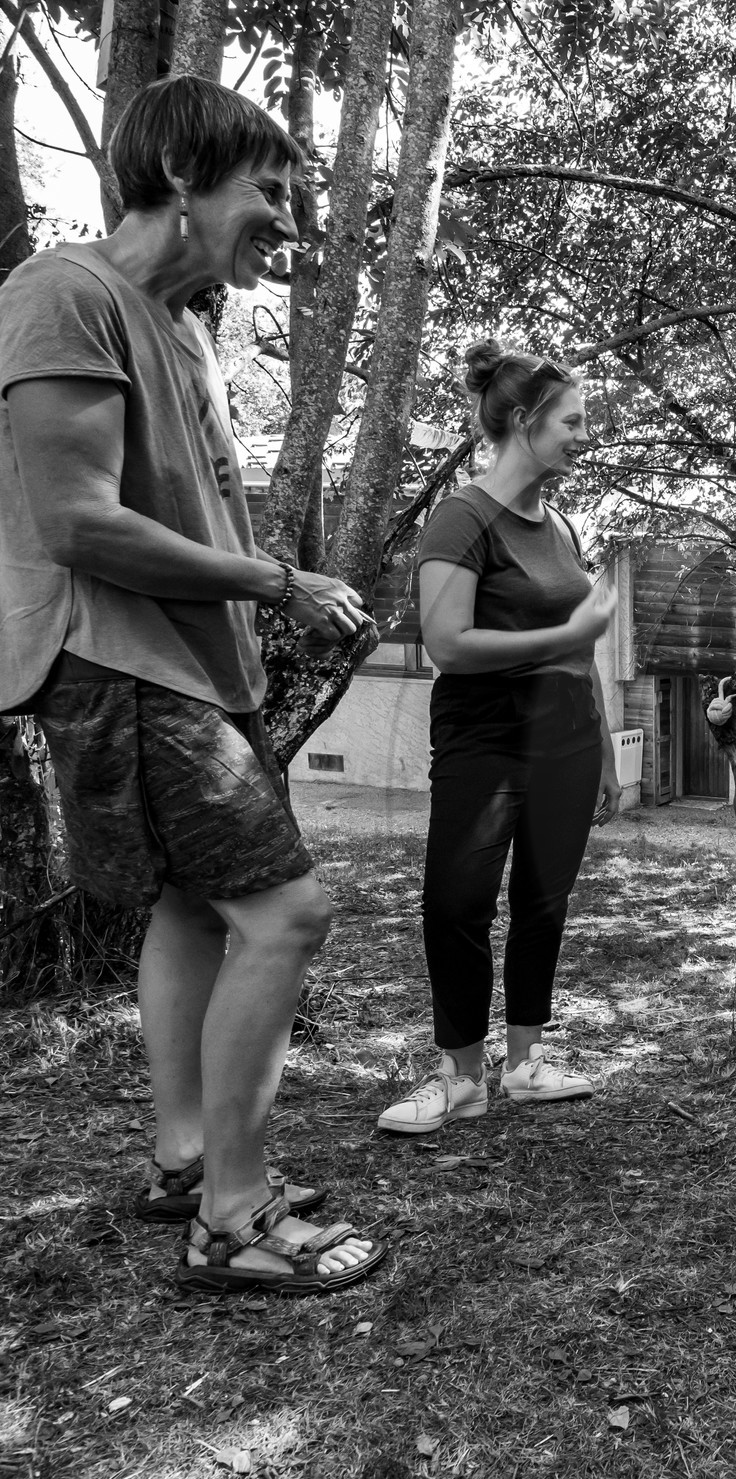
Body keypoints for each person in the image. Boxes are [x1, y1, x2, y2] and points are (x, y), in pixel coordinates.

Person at [0, 76, 383, 1293]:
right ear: (178, 179)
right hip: (119, 658)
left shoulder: (186, 326)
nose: (291, 220)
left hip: (191, 668)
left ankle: (185, 1155)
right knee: (288, 913)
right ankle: (234, 1211)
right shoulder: (66, 293)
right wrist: (279, 582)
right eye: (267, 192)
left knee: (185, 905)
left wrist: (256, 625)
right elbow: (76, 523)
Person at [376, 342, 620, 1135]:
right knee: (456, 904)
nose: (585, 436)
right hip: (485, 743)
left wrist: (607, 754)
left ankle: (525, 1064)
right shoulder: (462, 516)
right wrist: (564, 639)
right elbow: (449, 644)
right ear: (523, 421)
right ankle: (460, 1076)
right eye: (573, 422)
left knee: (542, 905)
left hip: (569, 744)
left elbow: (581, 649)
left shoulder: (562, 525)